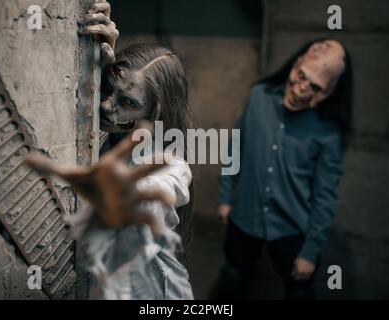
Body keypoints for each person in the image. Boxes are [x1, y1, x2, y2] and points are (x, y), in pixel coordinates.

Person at [27, 0, 194, 299]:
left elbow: (156, 195)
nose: (106, 105)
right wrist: (95, 62)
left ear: (156, 117)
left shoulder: (172, 167)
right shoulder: (111, 137)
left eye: (128, 103)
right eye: (108, 89)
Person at [217, 39, 353, 299]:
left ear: (329, 93)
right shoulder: (259, 96)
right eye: (301, 76)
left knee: (299, 290)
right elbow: (235, 147)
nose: (301, 90)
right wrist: (225, 196)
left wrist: (310, 252)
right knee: (233, 276)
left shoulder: (328, 132)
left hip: (291, 227)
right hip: (244, 215)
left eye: (316, 88)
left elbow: (325, 196)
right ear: (295, 64)